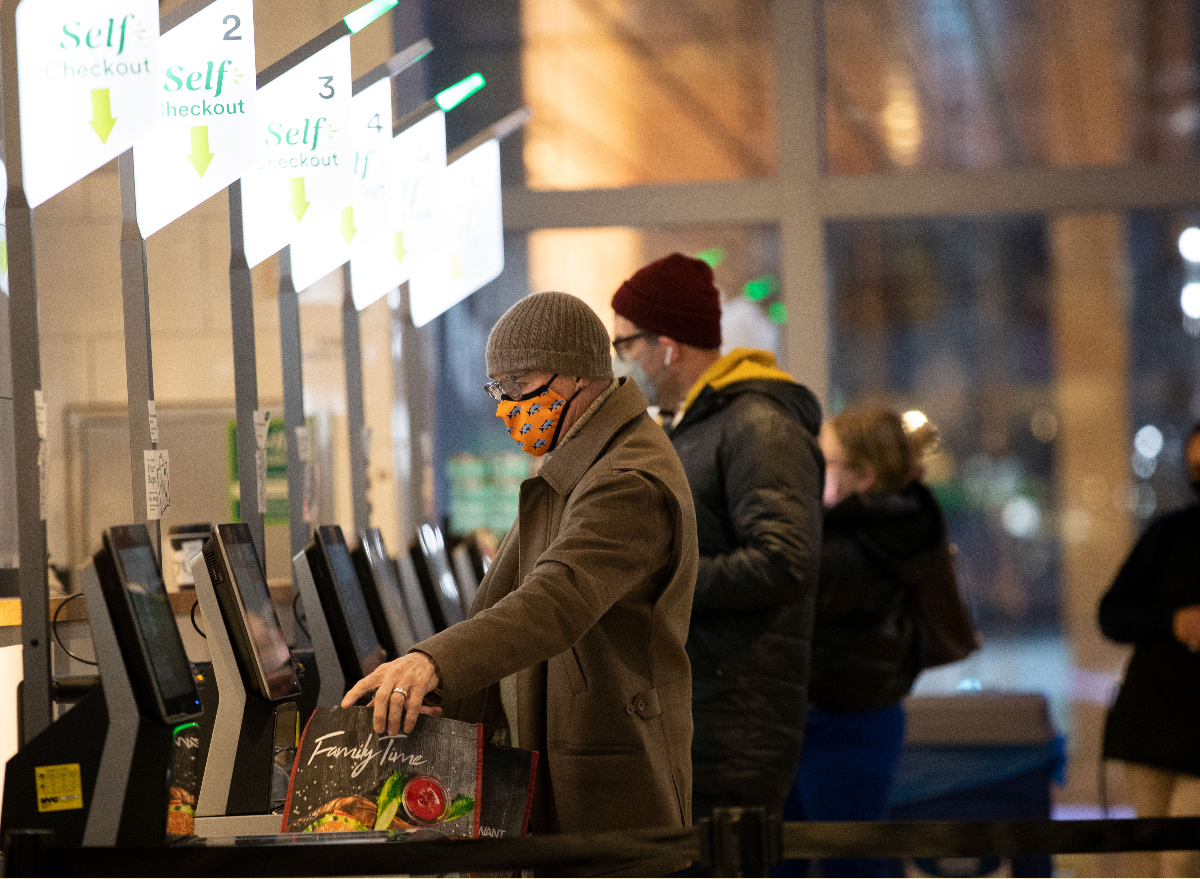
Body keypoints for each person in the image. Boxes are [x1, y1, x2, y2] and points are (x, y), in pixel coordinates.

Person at [342, 291, 700, 875]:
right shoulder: (576, 465)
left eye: (518, 381)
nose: (507, 403)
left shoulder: (626, 479)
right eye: (497, 387)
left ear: (578, 377)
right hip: (568, 765)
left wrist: (432, 663)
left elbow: (555, 600)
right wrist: (443, 692)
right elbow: (510, 601)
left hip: (609, 786)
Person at [609, 253, 824, 825]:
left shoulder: (759, 422)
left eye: (626, 343)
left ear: (668, 345)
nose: (622, 359)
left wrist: (660, 581)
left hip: (736, 722)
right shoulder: (698, 422)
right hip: (703, 707)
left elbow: (784, 562)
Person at [778, 406, 958, 878]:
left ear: (863, 476)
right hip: (842, 713)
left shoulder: (858, 544)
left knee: (852, 862)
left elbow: (792, 599)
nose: (814, 474)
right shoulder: (889, 527)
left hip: (842, 717)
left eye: (826, 462)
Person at [1099, 422, 1200, 878]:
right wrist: (1172, 622)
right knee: (1151, 857)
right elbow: (1112, 614)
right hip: (1154, 720)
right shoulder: (1170, 534)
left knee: (1181, 859)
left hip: (1181, 727)